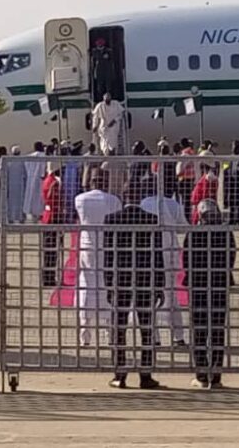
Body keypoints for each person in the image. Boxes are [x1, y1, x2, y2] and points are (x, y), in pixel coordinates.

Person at [104, 182, 165, 390]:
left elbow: (108, 255)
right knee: (146, 328)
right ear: (140, 198)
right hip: (145, 279)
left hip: (120, 279)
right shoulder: (151, 219)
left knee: (119, 327)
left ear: (123, 196)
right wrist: (160, 284)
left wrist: (108, 283)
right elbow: (158, 255)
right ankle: (146, 374)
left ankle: (119, 373)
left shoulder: (112, 219)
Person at [184, 199, 236, 389]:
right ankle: (215, 375)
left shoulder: (194, 233)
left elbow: (187, 259)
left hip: (198, 285)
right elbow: (231, 257)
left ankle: (201, 374)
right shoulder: (225, 232)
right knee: (217, 330)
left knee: (199, 330)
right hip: (219, 284)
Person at [74, 169, 123, 346]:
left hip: (87, 246)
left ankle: (84, 336)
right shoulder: (114, 200)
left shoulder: (80, 199)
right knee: (107, 287)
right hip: (108, 246)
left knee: (86, 286)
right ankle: (110, 334)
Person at [139, 175, 187, 346]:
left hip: (150, 255)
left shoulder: (143, 204)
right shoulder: (172, 203)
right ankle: (178, 336)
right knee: (172, 296)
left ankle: (154, 338)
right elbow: (183, 228)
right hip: (171, 253)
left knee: (150, 297)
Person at [40, 162, 65, 287]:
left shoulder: (46, 180)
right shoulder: (55, 183)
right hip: (53, 217)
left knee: (48, 249)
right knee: (53, 250)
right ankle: (49, 277)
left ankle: (48, 276)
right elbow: (55, 200)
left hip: (47, 215)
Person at [190, 160, 219, 225]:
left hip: (203, 207)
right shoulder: (207, 176)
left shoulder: (209, 177)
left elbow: (206, 193)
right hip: (201, 205)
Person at [23, 141, 46, 221]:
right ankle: (39, 213)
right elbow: (43, 167)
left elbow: (26, 165)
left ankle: (32, 213)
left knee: (31, 196)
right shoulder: (43, 156)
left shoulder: (30, 156)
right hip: (40, 178)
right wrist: (43, 175)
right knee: (39, 197)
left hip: (31, 178)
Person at [176, 139, 198, 220]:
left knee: (185, 201)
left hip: (184, 180)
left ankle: (186, 218)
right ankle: (188, 216)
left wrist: (178, 175)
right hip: (191, 179)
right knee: (188, 200)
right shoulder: (192, 153)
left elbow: (179, 169)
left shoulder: (185, 154)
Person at [6, 146, 26, 223]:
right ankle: (20, 218)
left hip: (11, 185)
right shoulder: (22, 161)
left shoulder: (9, 161)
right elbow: (25, 174)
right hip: (20, 185)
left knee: (11, 202)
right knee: (20, 202)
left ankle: (11, 218)